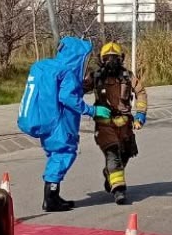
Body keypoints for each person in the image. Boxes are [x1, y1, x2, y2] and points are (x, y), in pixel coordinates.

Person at [17, 36, 110, 212]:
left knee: (54, 154)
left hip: (43, 119)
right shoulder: (67, 72)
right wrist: (92, 110)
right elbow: (68, 98)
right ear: (78, 56)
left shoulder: (43, 66)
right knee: (64, 153)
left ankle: (52, 195)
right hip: (59, 121)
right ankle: (50, 198)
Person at [87, 41, 148, 205]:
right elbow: (76, 90)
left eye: (114, 58)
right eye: (107, 58)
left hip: (125, 124)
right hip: (104, 123)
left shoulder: (128, 76)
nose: (111, 61)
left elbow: (140, 92)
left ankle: (110, 174)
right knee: (112, 153)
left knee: (126, 153)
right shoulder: (96, 76)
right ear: (101, 59)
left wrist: (141, 114)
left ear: (121, 58)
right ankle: (119, 190)